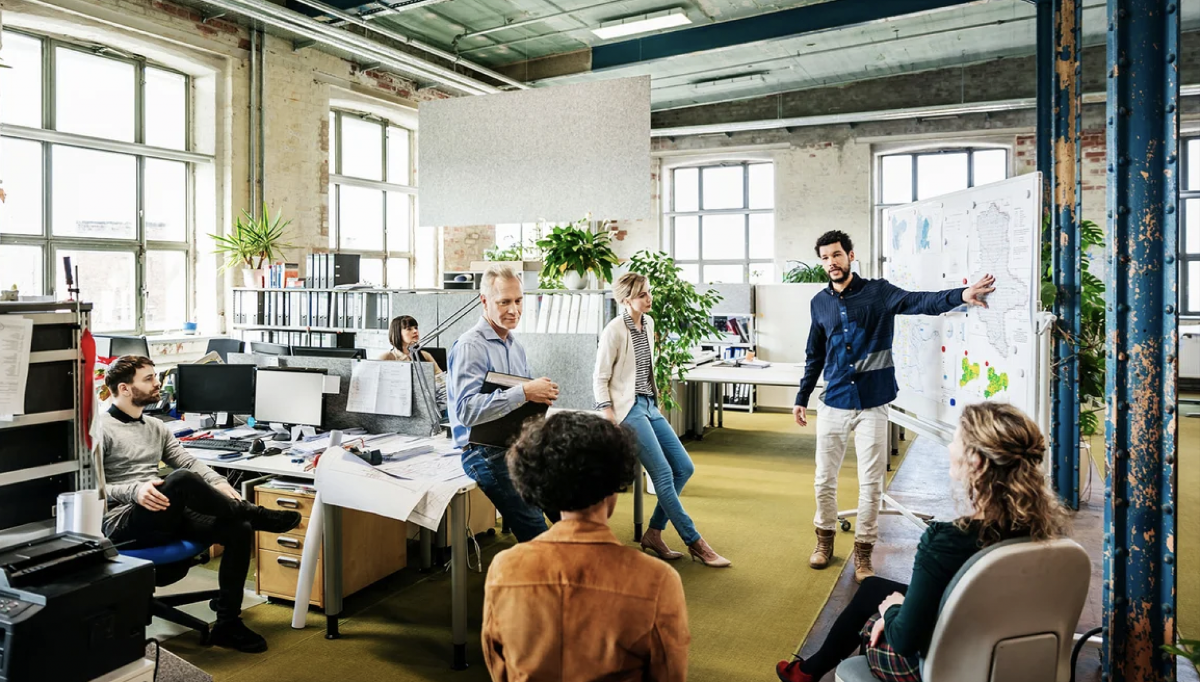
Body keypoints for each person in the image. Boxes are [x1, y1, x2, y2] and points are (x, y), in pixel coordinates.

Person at [776, 402, 1068, 682]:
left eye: (956, 441)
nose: (950, 447)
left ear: (976, 462)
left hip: (942, 664)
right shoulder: (1046, 530)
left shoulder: (946, 541)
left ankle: (812, 670)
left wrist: (893, 610)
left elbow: (904, 641)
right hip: (1008, 648)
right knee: (873, 588)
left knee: (875, 624)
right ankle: (808, 670)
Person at [796, 230, 995, 582]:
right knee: (823, 479)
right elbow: (815, 354)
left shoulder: (878, 293)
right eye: (825, 258)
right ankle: (824, 540)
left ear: (850, 255)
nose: (831, 263)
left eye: (837, 255)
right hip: (833, 402)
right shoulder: (819, 303)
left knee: (871, 483)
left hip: (873, 403)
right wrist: (802, 397)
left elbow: (919, 301)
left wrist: (962, 295)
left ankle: (864, 551)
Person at [100, 355, 303, 653]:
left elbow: (188, 461)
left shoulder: (155, 426)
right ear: (125, 388)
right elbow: (88, 487)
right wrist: (134, 491)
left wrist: (218, 482)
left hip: (163, 514)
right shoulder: (99, 429)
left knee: (239, 528)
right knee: (180, 480)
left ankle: (227, 625)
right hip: (123, 521)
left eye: (155, 376)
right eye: (149, 378)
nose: (157, 383)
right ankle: (257, 514)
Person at [483, 411, 690, 681]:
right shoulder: (658, 579)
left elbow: (498, 664)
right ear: (614, 486)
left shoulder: (505, 568)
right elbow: (669, 674)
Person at [593, 272, 729, 568]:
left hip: (649, 405)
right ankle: (696, 543)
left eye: (648, 292)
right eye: (642, 295)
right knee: (663, 475)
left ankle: (653, 533)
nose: (649, 298)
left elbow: (644, 370)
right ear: (626, 299)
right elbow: (600, 377)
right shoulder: (614, 330)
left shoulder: (649, 323)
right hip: (628, 409)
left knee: (684, 468)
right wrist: (609, 415)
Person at [448, 263, 560, 542]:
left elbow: (518, 403)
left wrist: (539, 397)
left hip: (515, 442)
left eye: (519, 301)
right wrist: (525, 392)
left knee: (569, 509)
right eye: (504, 302)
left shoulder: (514, 345)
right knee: (536, 531)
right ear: (484, 301)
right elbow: (466, 411)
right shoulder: (470, 346)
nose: (514, 310)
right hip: (482, 451)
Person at [380, 314, 447, 412]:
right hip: (398, 409)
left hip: (428, 408)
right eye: (409, 329)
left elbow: (442, 382)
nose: (415, 331)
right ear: (397, 333)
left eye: (416, 328)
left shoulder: (425, 355)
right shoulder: (386, 357)